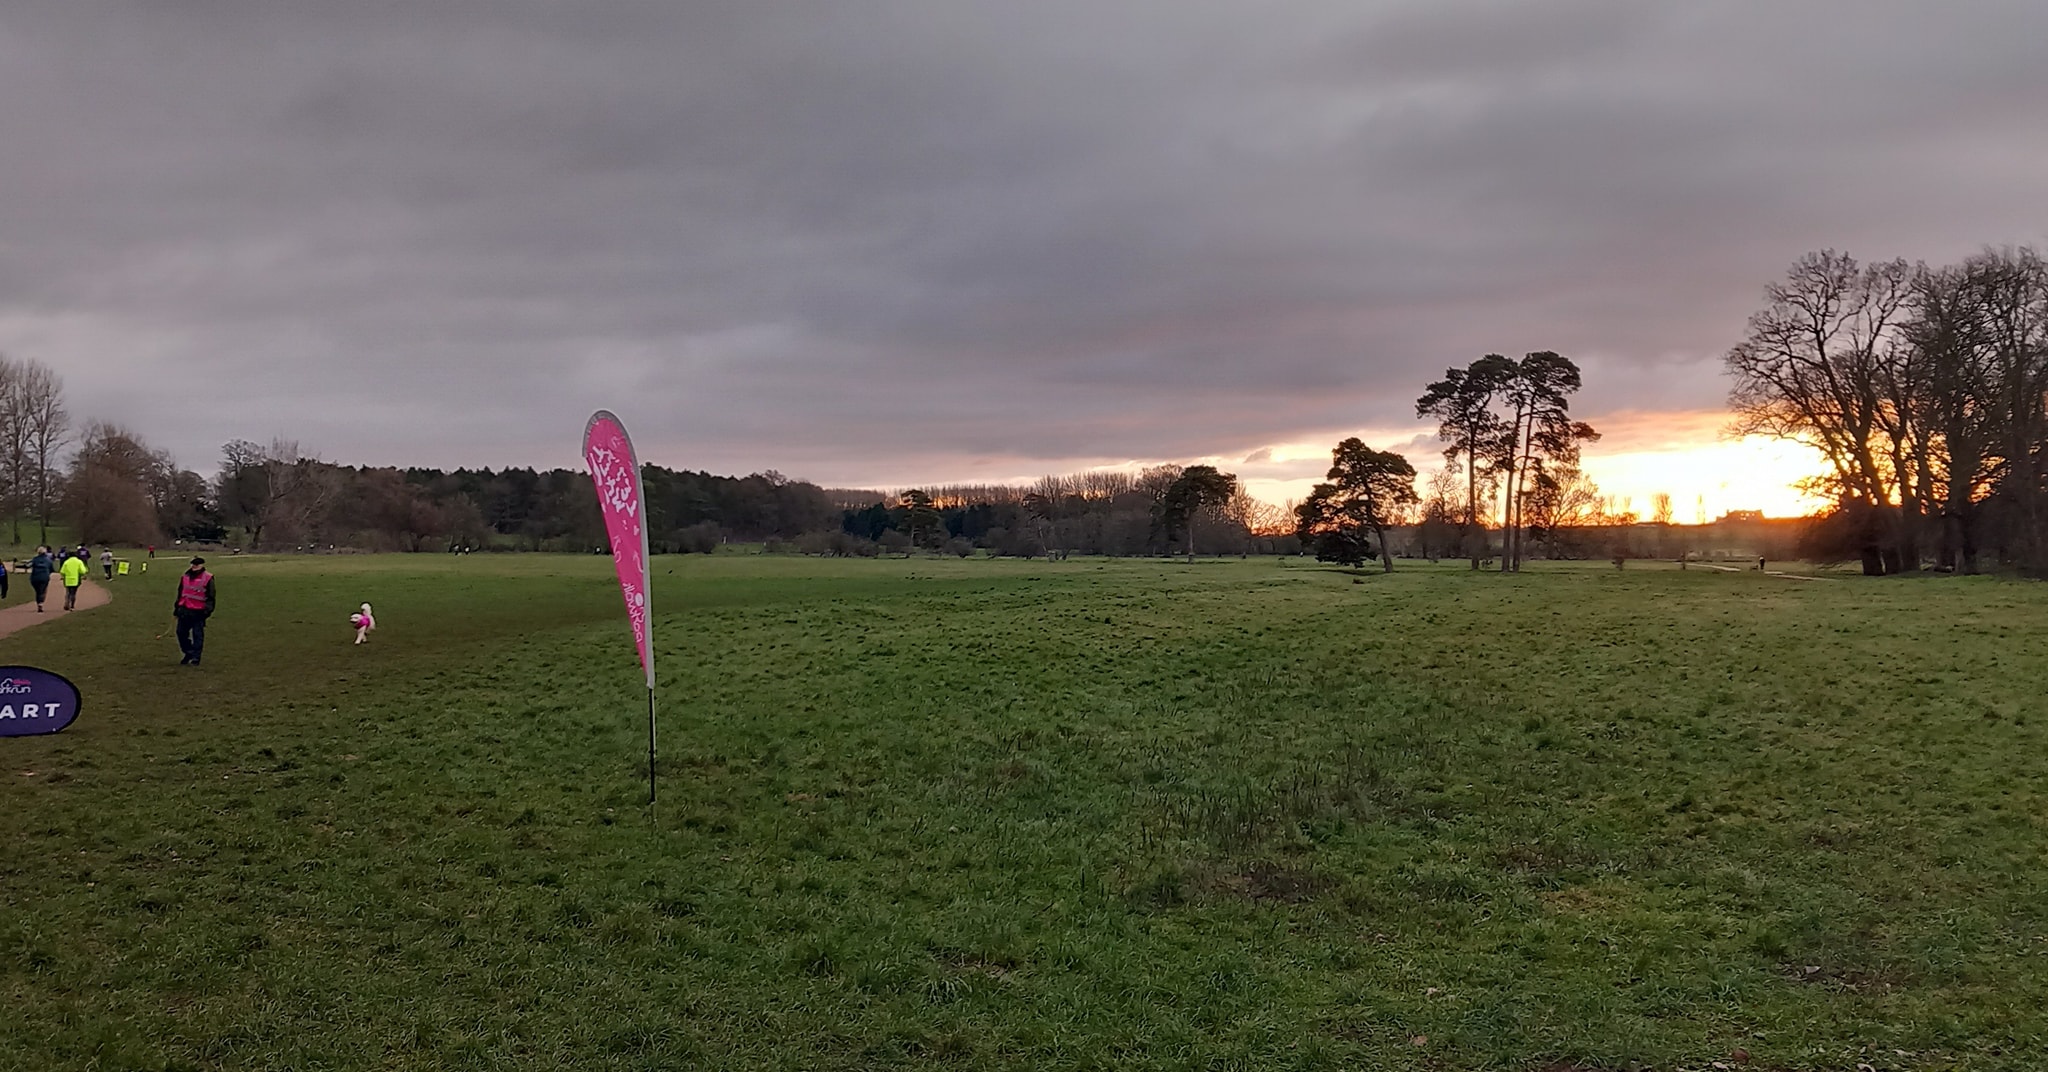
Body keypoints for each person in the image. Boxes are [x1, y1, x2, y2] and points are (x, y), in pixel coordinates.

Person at [173, 557, 216, 666]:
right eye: (193, 564)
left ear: (202, 565)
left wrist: (207, 611)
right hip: (184, 609)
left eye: (197, 565)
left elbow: (211, 597)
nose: (194, 567)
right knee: (180, 633)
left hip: (198, 612)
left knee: (197, 636)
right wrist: (177, 608)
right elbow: (180, 592)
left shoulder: (208, 578)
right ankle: (189, 652)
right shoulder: (185, 577)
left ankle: (196, 657)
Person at [27, 546, 52, 612]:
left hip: (35, 578)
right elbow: (52, 569)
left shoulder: (35, 559)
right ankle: (40, 603)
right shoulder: (48, 560)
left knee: (38, 591)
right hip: (44, 577)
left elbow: (28, 565)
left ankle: (39, 603)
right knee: (42, 591)